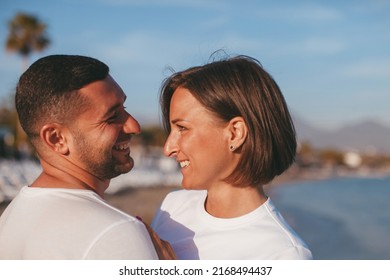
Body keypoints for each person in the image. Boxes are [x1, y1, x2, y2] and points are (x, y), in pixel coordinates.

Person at [0, 54, 174, 260]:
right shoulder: (114, 233)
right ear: (57, 139)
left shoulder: (12, 217)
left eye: (124, 109)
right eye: (112, 117)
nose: (134, 126)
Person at [151, 55, 313, 260]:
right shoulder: (173, 208)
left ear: (235, 133)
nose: (168, 148)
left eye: (182, 128)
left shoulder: (283, 255)